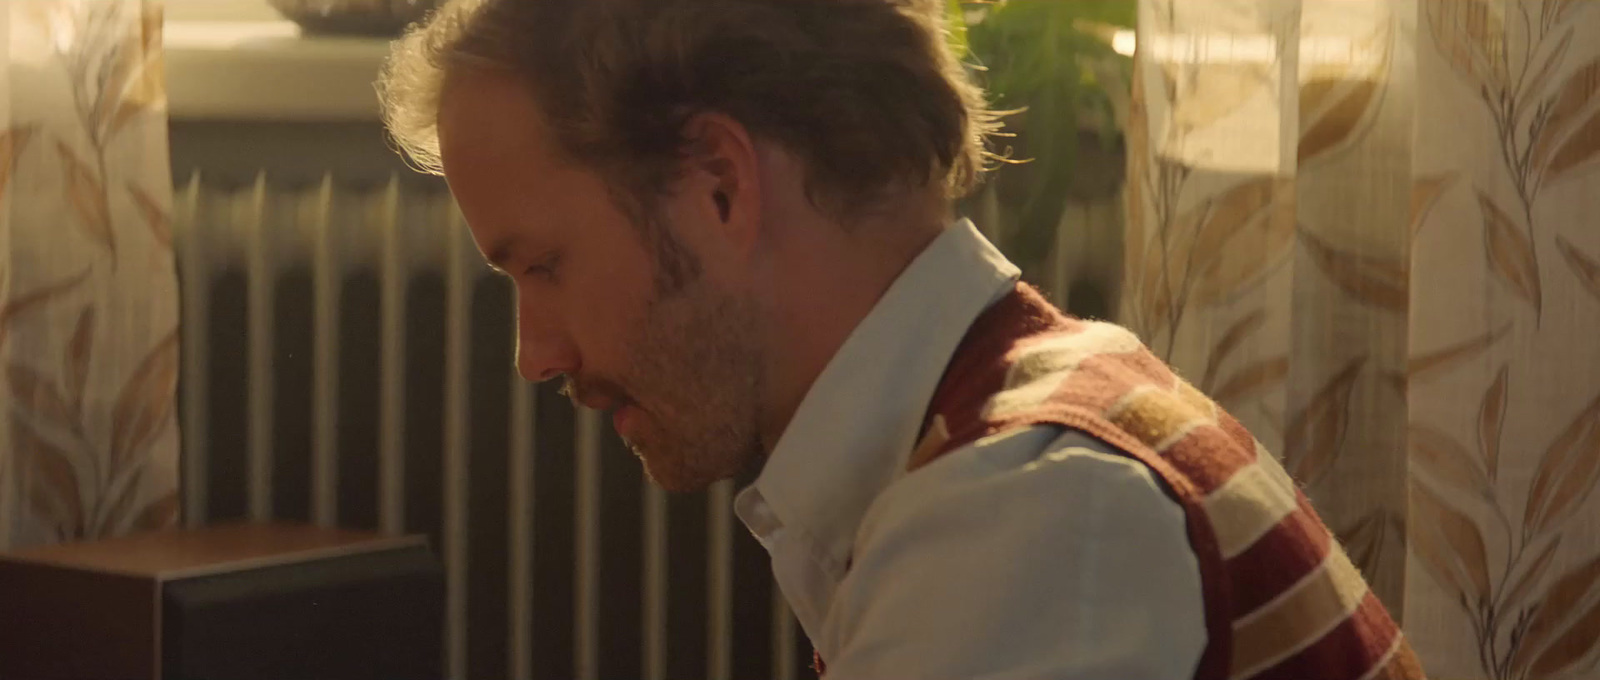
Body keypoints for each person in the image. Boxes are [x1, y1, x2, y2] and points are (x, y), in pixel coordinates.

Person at [379, 1, 1425, 678]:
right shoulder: (1028, 426)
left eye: (544, 265)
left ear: (719, 185)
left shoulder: (1031, 513)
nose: (536, 353)